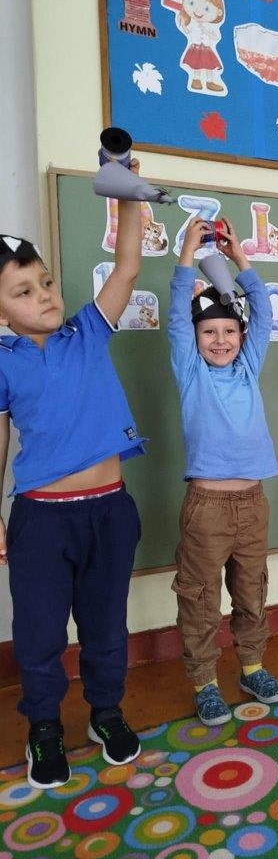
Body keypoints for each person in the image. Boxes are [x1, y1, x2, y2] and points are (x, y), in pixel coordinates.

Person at [0, 186, 144, 789]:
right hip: (42, 520)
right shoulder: (3, 361)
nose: (45, 295)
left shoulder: (87, 331)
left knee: (106, 625)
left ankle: (105, 712)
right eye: (23, 291)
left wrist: (127, 190)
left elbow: (127, 266)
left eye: (46, 281)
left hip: (111, 511)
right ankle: (44, 726)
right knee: (39, 633)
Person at [168, 217, 278, 727]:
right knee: (200, 597)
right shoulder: (191, 371)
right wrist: (186, 255)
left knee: (252, 590)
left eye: (229, 331)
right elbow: (177, 316)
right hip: (207, 507)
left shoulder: (248, 365)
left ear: (241, 335)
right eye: (209, 332)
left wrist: (240, 259)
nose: (220, 340)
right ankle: (205, 683)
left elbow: (263, 315)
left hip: (253, 503)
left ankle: (252, 667)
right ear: (195, 338)